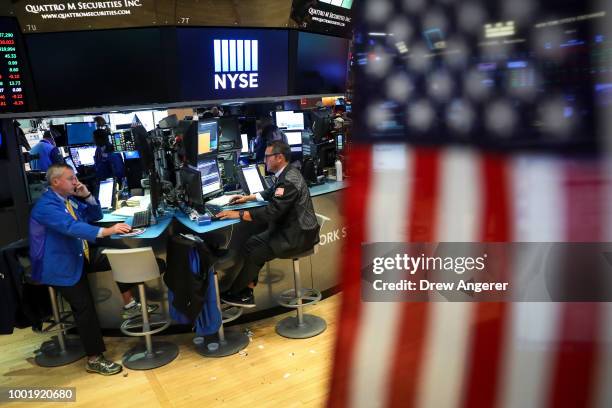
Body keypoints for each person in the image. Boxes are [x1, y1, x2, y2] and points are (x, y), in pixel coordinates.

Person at [29, 163, 132, 375]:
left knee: (119, 255)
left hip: (79, 255)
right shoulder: (46, 206)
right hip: (60, 266)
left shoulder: (68, 200)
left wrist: (86, 196)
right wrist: (107, 231)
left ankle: (130, 303)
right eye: (71, 179)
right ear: (56, 182)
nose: (76, 182)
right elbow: (71, 227)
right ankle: (94, 359)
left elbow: (93, 215)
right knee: (84, 308)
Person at [216, 141, 320, 307]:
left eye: (267, 157)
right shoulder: (286, 173)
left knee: (256, 253)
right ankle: (247, 290)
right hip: (290, 230)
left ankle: (236, 293)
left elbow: (271, 213)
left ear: (279, 158)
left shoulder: (288, 181)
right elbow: (271, 192)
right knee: (250, 244)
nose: (264, 160)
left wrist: (239, 214)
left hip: (297, 236)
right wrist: (248, 198)